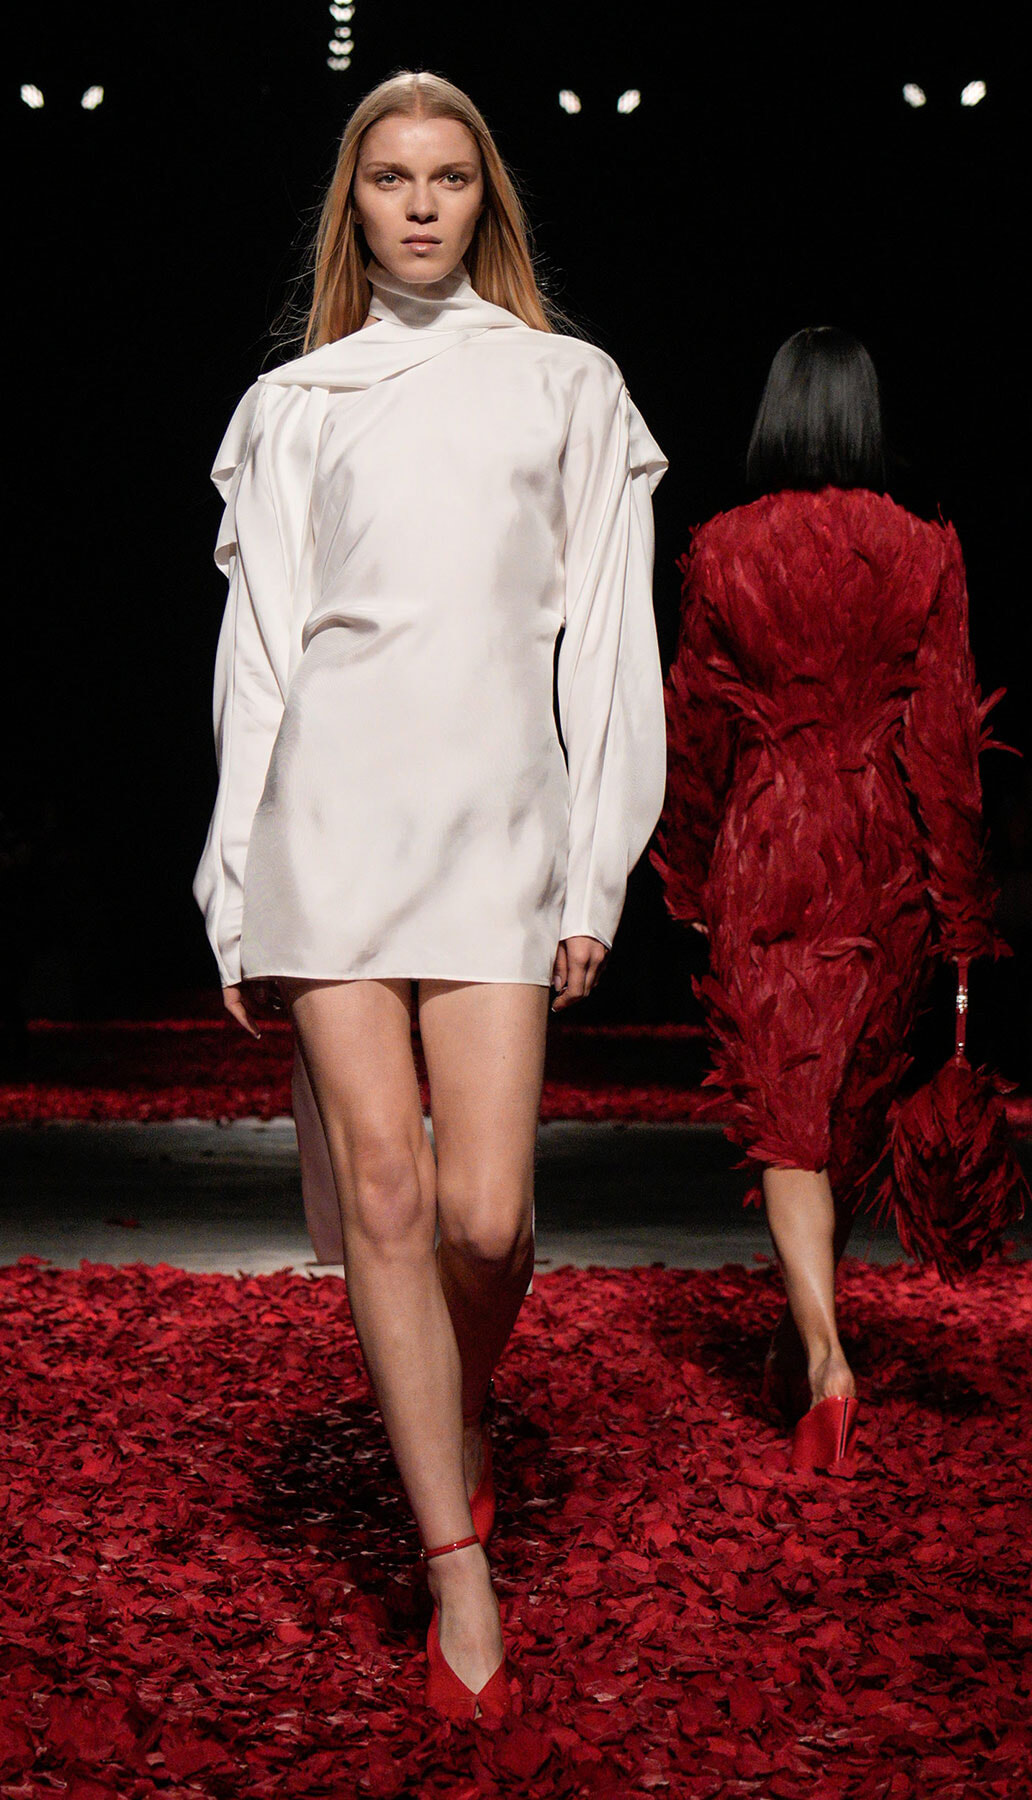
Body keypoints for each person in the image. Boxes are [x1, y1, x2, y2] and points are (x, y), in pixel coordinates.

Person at [194, 70, 666, 1717]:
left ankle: (453, 1407)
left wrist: (597, 864)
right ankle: (452, 1558)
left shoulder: (569, 390)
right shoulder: (295, 407)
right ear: (353, 201)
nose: (415, 202)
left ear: (486, 199)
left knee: (483, 1213)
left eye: (447, 176)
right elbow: (260, 667)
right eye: (387, 175)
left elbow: (611, 651)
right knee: (386, 1201)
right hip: (331, 825)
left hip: (495, 835)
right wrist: (234, 882)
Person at [653, 327, 1001, 1472]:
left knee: (789, 1120)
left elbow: (692, 726)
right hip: (879, 847)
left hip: (764, 835)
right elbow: (945, 734)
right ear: (864, 413)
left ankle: (824, 1358)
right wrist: (959, 908)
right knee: (838, 1110)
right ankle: (813, 1341)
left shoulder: (723, 549)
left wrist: (688, 867)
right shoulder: (921, 549)